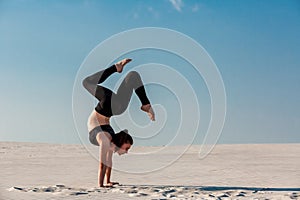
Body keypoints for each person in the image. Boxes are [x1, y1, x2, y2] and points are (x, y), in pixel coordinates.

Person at [82, 58, 155, 187]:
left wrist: (103, 184)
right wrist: (104, 184)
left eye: (127, 149)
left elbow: (104, 162)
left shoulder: (105, 139)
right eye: (127, 148)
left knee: (87, 82)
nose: (126, 152)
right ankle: (146, 104)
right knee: (132, 76)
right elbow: (106, 162)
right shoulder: (108, 139)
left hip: (112, 106)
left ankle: (116, 68)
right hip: (111, 106)